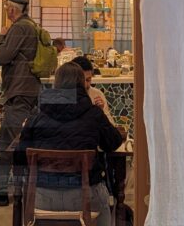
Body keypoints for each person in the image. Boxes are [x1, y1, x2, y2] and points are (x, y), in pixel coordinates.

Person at [15, 63, 124, 226]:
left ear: (56, 84)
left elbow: (19, 157)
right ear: (82, 84)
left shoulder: (37, 116)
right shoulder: (94, 113)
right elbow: (113, 143)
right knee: (105, 200)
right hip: (85, 196)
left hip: (42, 197)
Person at [0, 0, 42, 206]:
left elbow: (2, 56)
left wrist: (1, 37)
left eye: (7, 7)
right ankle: (5, 191)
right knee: (12, 144)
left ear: (13, 9)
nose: (6, 10)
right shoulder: (31, 25)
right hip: (27, 91)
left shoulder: (19, 28)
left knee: (12, 144)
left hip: (19, 93)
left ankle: (9, 193)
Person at [71, 56, 114, 123]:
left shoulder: (97, 95)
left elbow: (111, 124)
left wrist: (100, 112)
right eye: (81, 80)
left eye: (88, 80)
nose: (85, 85)